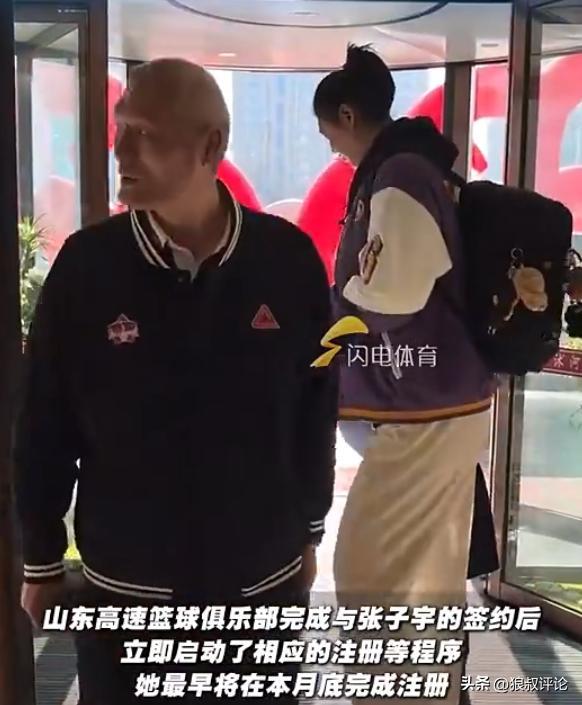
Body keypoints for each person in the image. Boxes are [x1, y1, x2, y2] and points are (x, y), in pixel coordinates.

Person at [14, 58, 337, 704]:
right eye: (120, 128)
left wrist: (309, 528)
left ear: (210, 147)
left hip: (260, 585)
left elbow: (314, 410)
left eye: (145, 134)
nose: (120, 149)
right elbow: (44, 423)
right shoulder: (86, 268)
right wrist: (42, 558)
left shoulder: (288, 262)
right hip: (126, 593)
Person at [313, 45, 496, 704]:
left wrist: (330, 306)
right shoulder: (416, 167)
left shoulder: (398, 176)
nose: (332, 147)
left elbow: (394, 295)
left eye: (329, 132)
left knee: (368, 567)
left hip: (426, 407)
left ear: (347, 114)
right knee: (426, 575)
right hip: (444, 400)